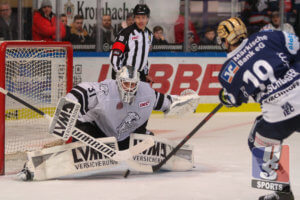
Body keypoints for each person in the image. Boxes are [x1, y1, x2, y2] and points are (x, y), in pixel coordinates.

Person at [217, 17, 299, 200]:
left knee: (256, 141)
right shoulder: (267, 35)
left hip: (278, 118)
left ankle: (282, 194)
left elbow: (234, 100)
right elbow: (297, 47)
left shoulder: (227, 71)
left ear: (224, 41)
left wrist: (224, 96)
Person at [65, 66, 180, 150]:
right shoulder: (106, 90)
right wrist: (65, 113)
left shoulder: (146, 92)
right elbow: (82, 90)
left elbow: (166, 102)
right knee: (80, 134)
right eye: (126, 84)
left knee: (149, 142)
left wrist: (182, 102)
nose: (129, 88)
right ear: (119, 82)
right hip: (99, 133)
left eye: (133, 84)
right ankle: (76, 148)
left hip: (125, 138)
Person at [109, 4, 153, 82]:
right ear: (134, 18)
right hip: (124, 75)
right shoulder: (125, 33)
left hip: (139, 75)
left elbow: (144, 55)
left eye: (143, 17)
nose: (141, 20)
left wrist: (145, 74)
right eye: (138, 17)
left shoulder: (149, 34)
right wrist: (120, 73)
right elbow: (115, 55)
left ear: (148, 18)